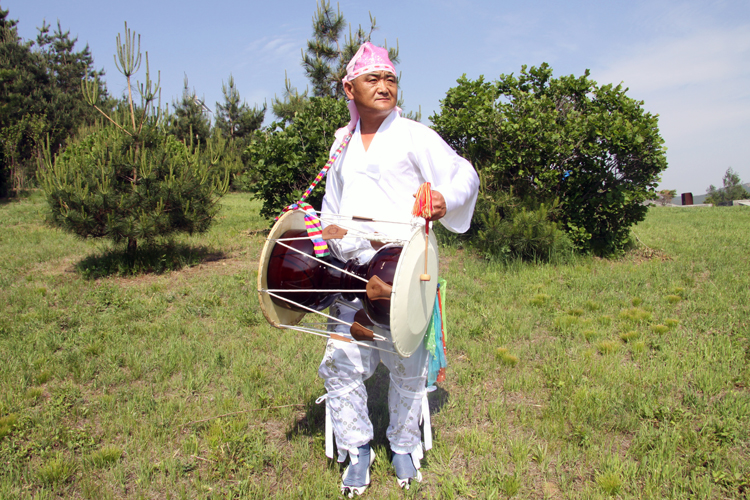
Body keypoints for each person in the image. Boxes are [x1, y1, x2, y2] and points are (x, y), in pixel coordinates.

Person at [317, 42, 479, 496]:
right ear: (349, 88)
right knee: (340, 363)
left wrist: (445, 198)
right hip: (352, 271)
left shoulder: (413, 135)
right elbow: (332, 202)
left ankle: (403, 444)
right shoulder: (341, 142)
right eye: (373, 79)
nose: (384, 86)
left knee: (408, 364)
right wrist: (330, 240)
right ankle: (357, 448)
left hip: (403, 269)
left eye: (390, 78)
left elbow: (464, 173)